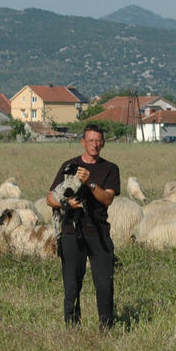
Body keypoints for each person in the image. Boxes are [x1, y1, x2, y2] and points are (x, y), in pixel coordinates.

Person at [46, 124, 120, 330]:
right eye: (91, 141)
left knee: (104, 284)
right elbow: (50, 198)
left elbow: (107, 199)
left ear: (103, 143)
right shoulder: (69, 166)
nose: (95, 145)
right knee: (71, 284)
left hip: (98, 231)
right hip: (71, 231)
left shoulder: (110, 169)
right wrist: (65, 204)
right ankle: (72, 328)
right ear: (83, 142)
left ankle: (106, 328)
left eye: (98, 141)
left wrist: (90, 183)